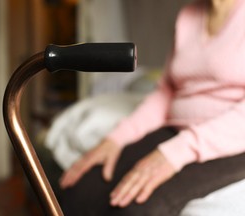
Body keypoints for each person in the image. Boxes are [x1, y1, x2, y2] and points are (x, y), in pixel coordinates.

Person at [58, 0, 245, 215]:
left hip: (233, 142)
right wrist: (116, 138)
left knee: (135, 207)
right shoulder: (188, 15)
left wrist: (177, 152)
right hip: (178, 129)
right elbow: (166, 92)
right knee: (81, 190)